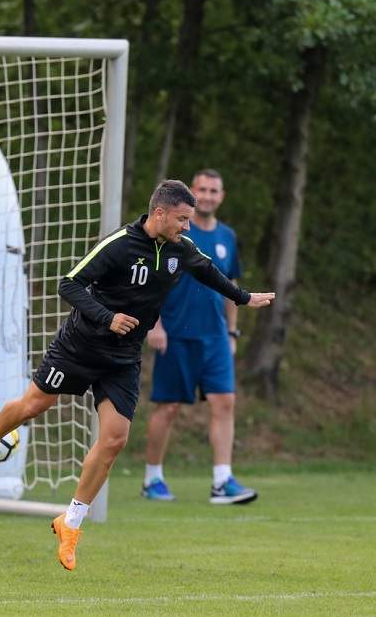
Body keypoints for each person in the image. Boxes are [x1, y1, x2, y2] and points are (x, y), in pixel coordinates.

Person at [0, 180, 274, 571]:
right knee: (33, 406)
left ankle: (70, 522)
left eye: (189, 221)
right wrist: (107, 318)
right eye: (181, 219)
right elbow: (69, 284)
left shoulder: (180, 249)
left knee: (114, 439)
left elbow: (208, 272)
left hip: (123, 357)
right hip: (80, 345)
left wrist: (243, 298)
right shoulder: (120, 244)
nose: (187, 228)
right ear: (159, 213)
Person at [142, 169, 256, 505]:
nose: (207, 195)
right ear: (192, 193)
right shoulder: (174, 230)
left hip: (216, 336)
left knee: (225, 402)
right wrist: (156, 325)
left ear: (221, 196)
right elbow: (153, 282)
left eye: (213, 191)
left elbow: (230, 287)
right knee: (169, 407)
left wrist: (232, 332)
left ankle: (223, 481)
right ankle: (152, 478)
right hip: (175, 333)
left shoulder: (227, 238)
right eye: (202, 190)